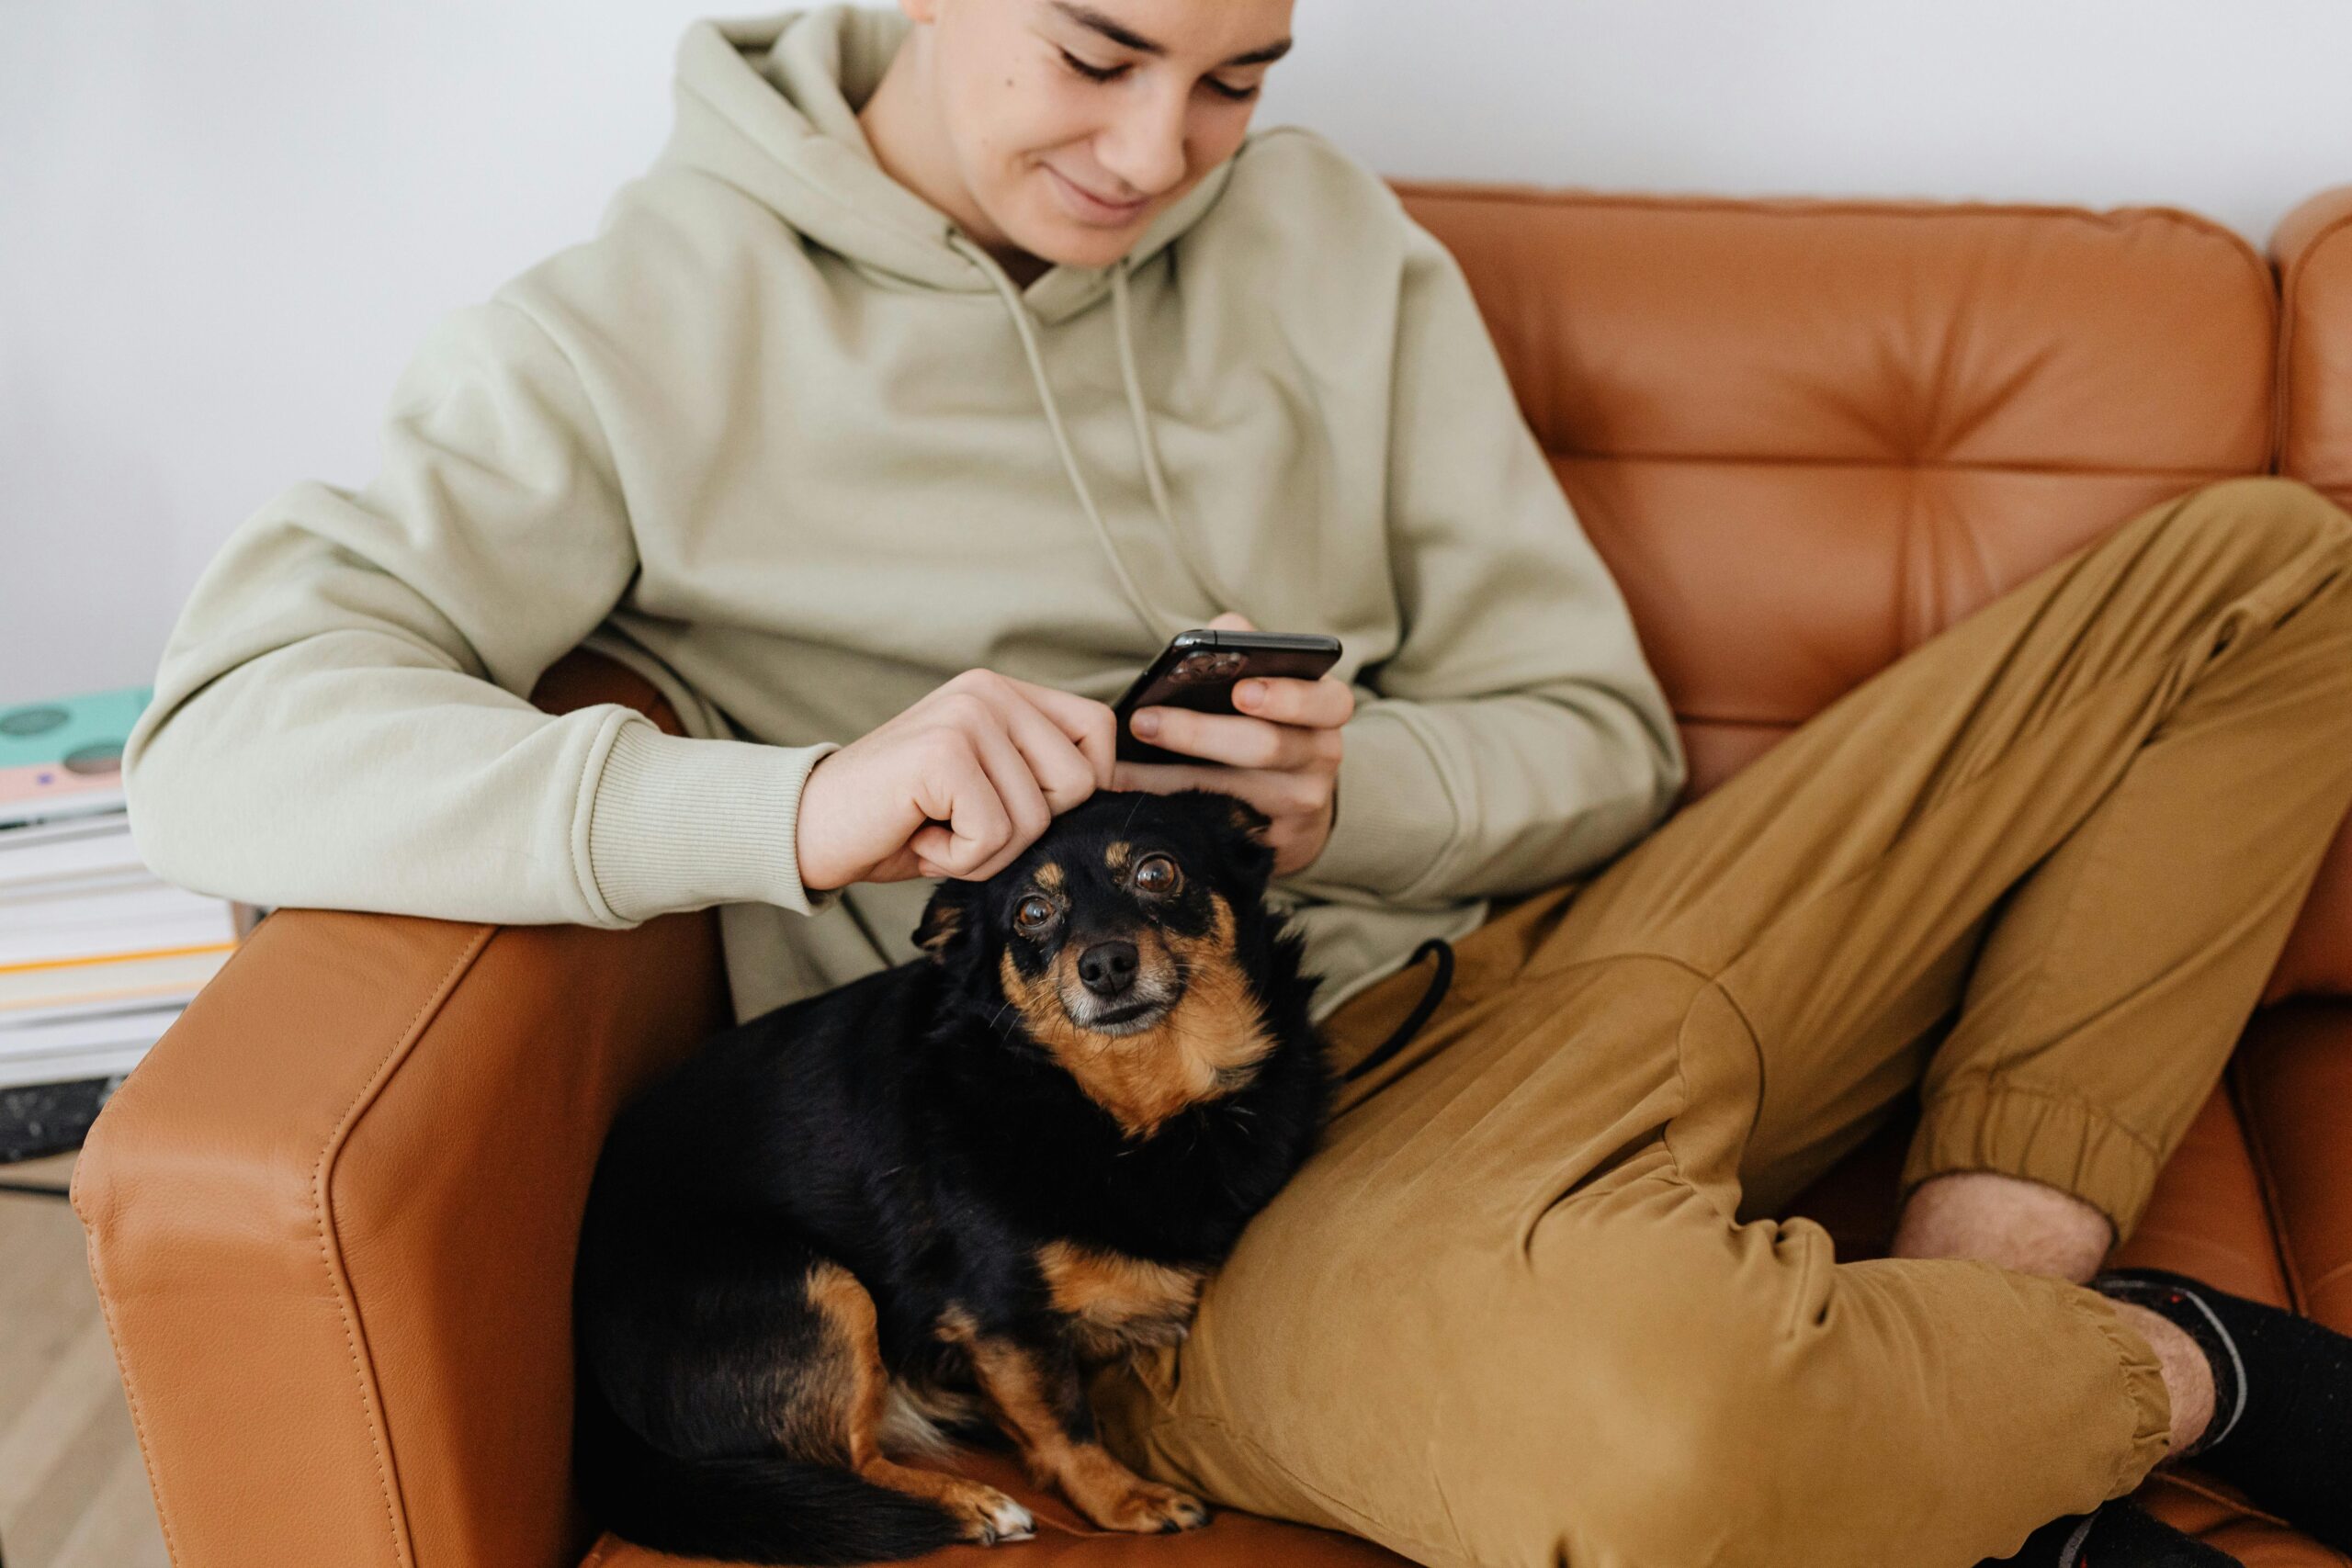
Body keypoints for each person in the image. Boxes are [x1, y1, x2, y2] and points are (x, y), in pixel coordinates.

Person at [119, 2, 2352, 1565]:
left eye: (1233, 78)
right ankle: (2165, 1380)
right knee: (1661, 1452)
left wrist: (1345, 799)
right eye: (1095, 56)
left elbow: (1595, 740)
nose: (1154, 152)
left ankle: (2002, 1320)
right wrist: (784, 803)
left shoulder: (1323, 246)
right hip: (1196, 1220)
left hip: (1551, 969)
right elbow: (217, 732)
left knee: (2270, 572)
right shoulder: (612, 340)